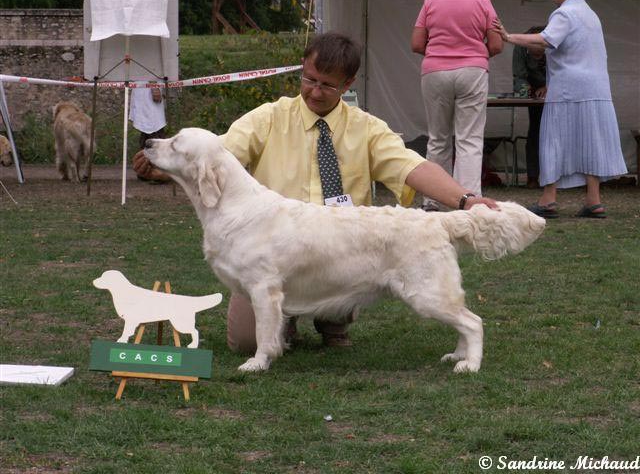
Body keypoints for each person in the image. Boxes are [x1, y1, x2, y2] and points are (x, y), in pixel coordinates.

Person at [134, 32, 498, 354]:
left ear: (348, 83)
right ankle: (285, 323)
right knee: (244, 342)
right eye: (308, 79)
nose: (314, 91)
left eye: (327, 85)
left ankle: (333, 320)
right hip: (272, 251)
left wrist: (465, 201)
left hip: (341, 252)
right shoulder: (269, 117)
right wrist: (167, 167)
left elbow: (412, 168)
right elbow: (216, 157)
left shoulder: (367, 128)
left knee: (347, 279)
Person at [493, 0, 627, 218]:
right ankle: (594, 201)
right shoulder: (590, 14)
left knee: (554, 140)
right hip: (595, 89)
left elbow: (546, 39)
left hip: (568, 89)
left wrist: (508, 37)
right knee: (590, 142)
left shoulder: (565, 13)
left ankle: (548, 200)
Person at [411, 0, 503, 212]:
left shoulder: (431, 1)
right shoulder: (482, 1)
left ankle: (432, 200)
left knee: (438, 139)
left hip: (435, 72)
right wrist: (475, 56)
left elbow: (416, 44)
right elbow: (497, 45)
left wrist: (439, 54)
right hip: (473, 71)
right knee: (469, 139)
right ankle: (469, 201)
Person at [512, 26, 547, 189]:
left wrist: (549, 86)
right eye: (533, 54)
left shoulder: (556, 40)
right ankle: (533, 176)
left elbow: (566, 70)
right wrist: (524, 89)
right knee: (535, 131)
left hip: (561, 91)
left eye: (540, 54)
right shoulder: (520, 46)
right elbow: (519, 75)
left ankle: (565, 177)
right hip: (535, 94)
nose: (537, 57)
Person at [129, 85, 167, 182]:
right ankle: (146, 172)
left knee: (156, 135)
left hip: (151, 90)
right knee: (145, 137)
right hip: (141, 90)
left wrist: (154, 85)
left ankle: (159, 172)